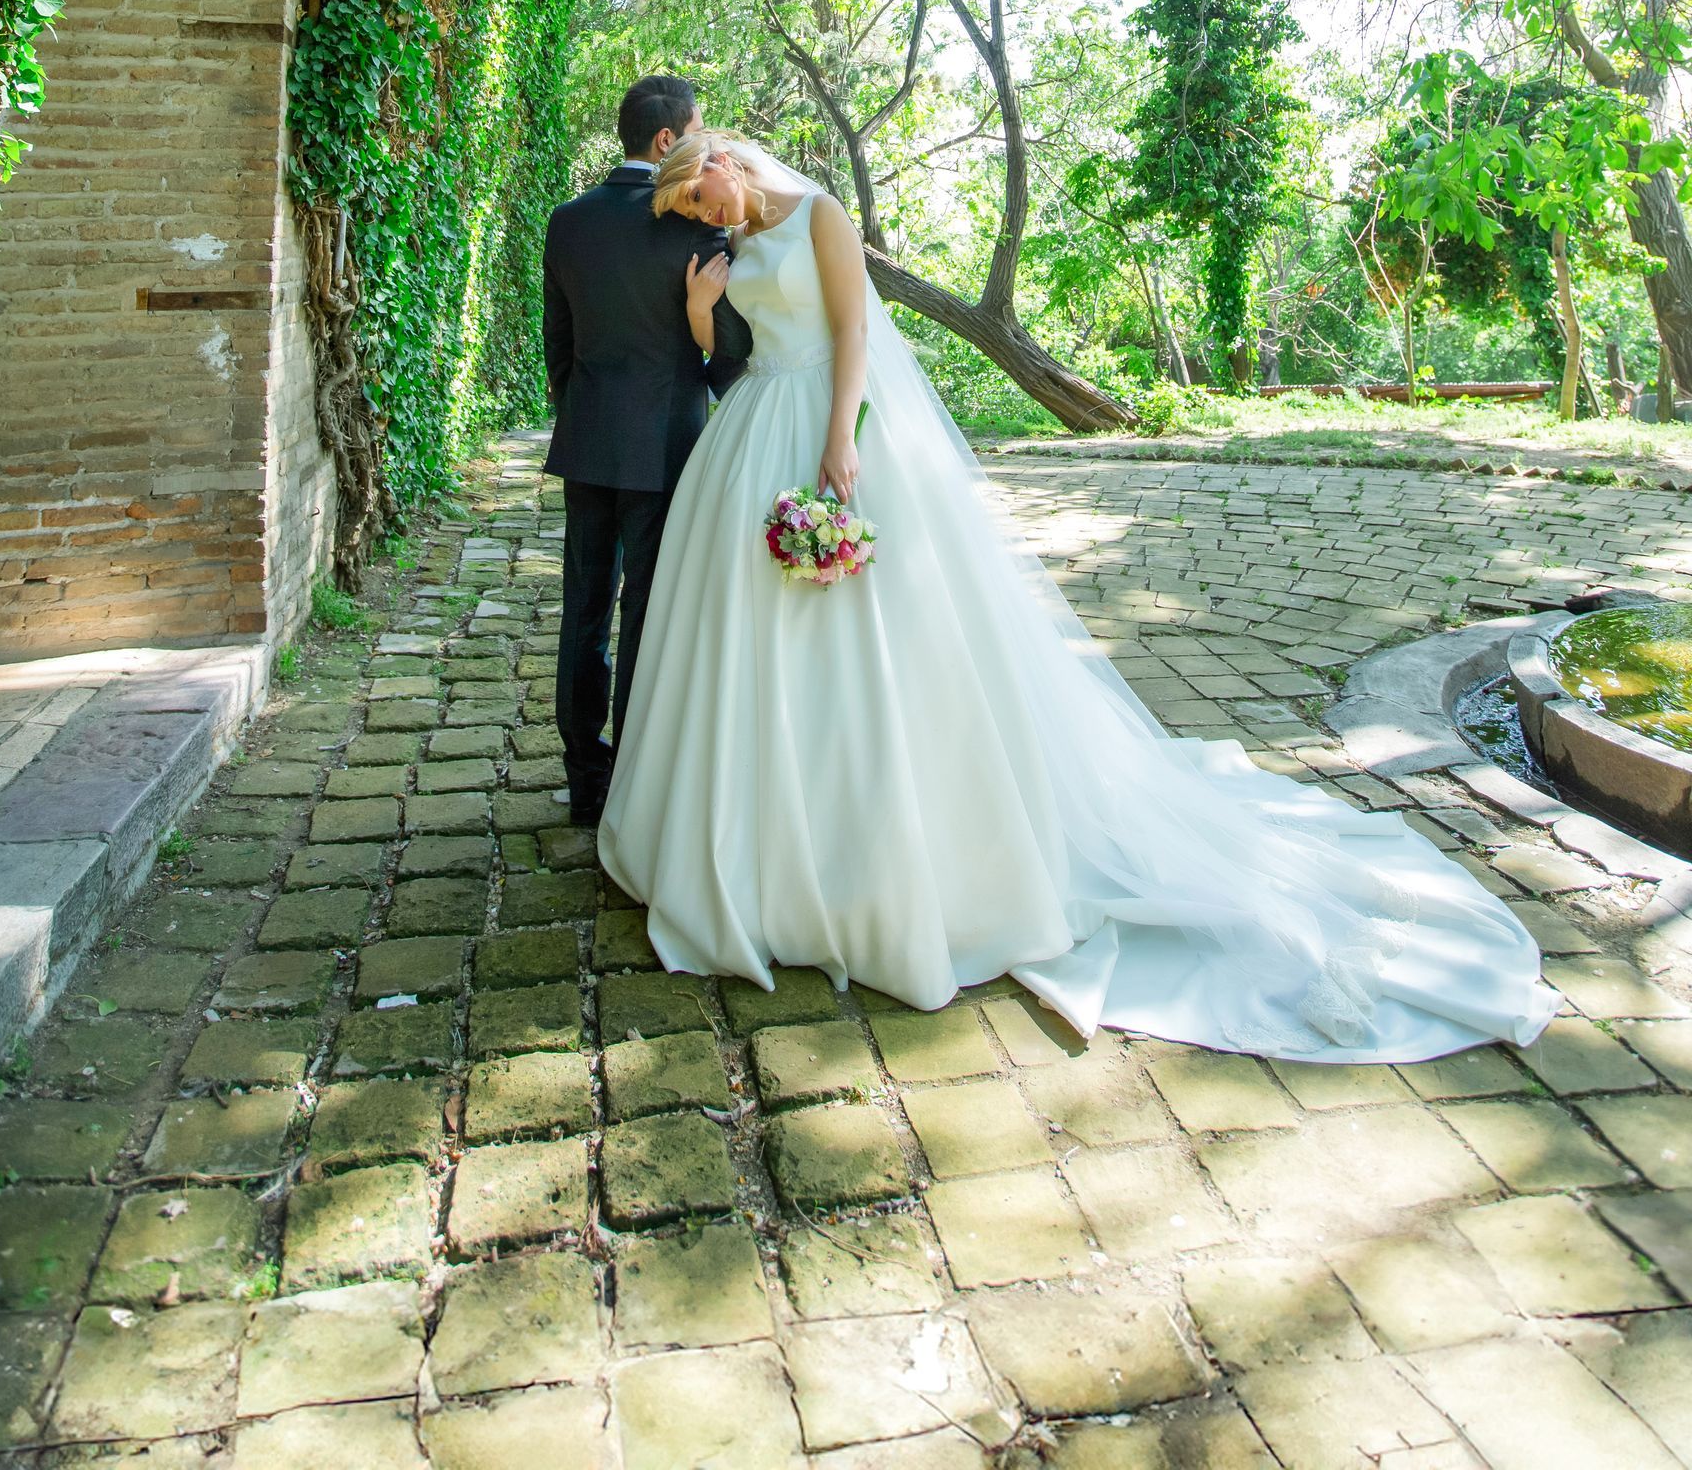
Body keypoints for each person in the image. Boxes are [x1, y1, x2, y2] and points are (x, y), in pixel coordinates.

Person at [600, 132, 1560, 1062]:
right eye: (688, 211)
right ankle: (761, 846)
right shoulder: (729, 250)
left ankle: (894, 859)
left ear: (720, 163)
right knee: (756, 645)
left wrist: (841, 437)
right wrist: (699, 311)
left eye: (699, 198)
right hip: (755, 429)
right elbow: (731, 359)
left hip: (829, 424)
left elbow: (854, 329)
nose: (700, 216)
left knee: (879, 636)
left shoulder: (819, 217)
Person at [542, 78, 753, 825]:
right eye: (699, 131)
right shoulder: (697, 224)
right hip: (668, 446)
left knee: (584, 609)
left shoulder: (567, 221)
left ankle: (584, 778)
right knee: (650, 613)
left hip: (588, 442)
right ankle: (633, 774)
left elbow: (558, 350)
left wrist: (583, 417)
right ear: (667, 141)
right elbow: (728, 358)